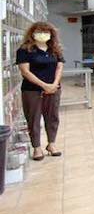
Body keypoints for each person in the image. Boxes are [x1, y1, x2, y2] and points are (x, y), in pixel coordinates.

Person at [15, 22, 64, 161]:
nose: (43, 34)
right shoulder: (25, 50)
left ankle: (51, 144)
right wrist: (44, 85)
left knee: (52, 116)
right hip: (32, 90)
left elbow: (59, 68)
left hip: (54, 88)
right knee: (33, 117)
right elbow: (25, 71)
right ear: (32, 33)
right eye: (39, 31)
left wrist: (54, 84)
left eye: (46, 31)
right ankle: (37, 147)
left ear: (51, 34)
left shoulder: (55, 49)